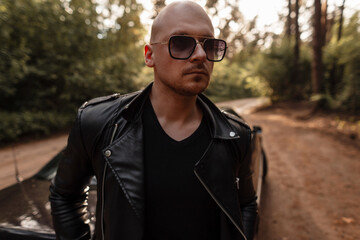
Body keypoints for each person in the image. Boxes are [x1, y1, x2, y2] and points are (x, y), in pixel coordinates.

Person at [49, 1, 258, 240]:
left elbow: (247, 204)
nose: (200, 55)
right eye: (180, 43)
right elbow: (65, 196)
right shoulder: (97, 123)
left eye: (209, 45)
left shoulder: (236, 135)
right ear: (150, 56)